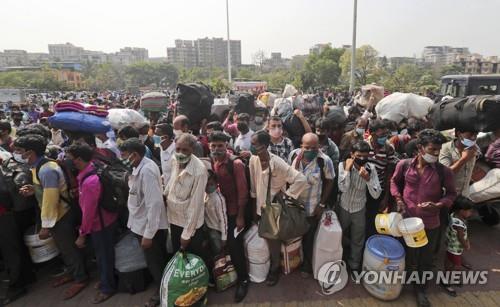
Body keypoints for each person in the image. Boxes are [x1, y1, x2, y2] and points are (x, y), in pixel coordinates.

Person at [14, 134, 89, 300]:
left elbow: (50, 199)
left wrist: (45, 226)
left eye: (20, 151)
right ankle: (73, 272)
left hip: (60, 215)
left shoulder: (47, 169)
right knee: (64, 248)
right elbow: (44, 190)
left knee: (69, 248)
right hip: (55, 215)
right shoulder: (38, 165)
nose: (18, 154)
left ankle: (80, 278)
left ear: (30, 152)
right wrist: (34, 189)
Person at [390, 129, 457, 307]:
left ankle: (420, 290)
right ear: (420, 148)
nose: (436, 153)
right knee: (404, 254)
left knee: (426, 259)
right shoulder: (404, 165)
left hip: (430, 223)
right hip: (406, 221)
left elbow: (451, 194)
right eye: (432, 149)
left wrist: (439, 205)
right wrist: (398, 198)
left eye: (438, 150)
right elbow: (394, 183)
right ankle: (401, 282)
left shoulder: (444, 172)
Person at [248, 130, 307, 286]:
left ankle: (275, 269)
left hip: (275, 207)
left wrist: (288, 196)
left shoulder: (278, 163)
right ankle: (275, 264)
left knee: (275, 237)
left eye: (255, 144)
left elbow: (301, 179)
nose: (252, 147)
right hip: (261, 207)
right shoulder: (253, 160)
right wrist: (255, 208)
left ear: (265, 145)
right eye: (252, 144)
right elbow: (254, 185)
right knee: (270, 238)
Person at [119, 138, 168, 307]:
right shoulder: (140, 166)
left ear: (135, 154)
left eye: (125, 155)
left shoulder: (146, 170)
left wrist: (148, 235)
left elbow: (154, 204)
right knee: (155, 261)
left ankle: (162, 294)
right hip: (140, 223)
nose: (122, 158)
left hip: (148, 228)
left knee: (156, 263)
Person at [66, 143, 118, 304]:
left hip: (100, 224)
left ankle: (107, 288)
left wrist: (82, 234)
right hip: (107, 219)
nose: (69, 162)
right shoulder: (94, 167)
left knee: (104, 257)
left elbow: (89, 213)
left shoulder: (90, 182)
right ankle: (106, 280)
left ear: (79, 159)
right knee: (105, 254)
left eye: (71, 159)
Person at [209, 131, 250, 302]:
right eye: (213, 146)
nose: (217, 149)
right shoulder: (215, 162)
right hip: (223, 211)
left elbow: (243, 194)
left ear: (226, 145)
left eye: (220, 145)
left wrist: (240, 217)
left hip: (235, 212)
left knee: (235, 246)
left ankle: (243, 280)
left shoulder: (236, 164)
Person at [289, 133, 335, 278]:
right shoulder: (293, 156)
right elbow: (288, 178)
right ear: (301, 146)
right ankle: (293, 261)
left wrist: (321, 204)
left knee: (309, 238)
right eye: (307, 147)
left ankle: (307, 264)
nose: (310, 150)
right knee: (295, 236)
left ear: (318, 147)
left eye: (314, 148)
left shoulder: (324, 161)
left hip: (312, 207)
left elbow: (330, 181)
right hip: (295, 207)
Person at [338, 141, 381, 276]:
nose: (362, 159)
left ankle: (354, 264)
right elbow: (343, 188)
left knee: (358, 239)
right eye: (359, 156)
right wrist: (347, 171)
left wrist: (368, 179)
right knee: (338, 235)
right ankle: (337, 260)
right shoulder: (343, 165)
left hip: (359, 209)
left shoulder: (371, 169)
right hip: (343, 207)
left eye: (365, 156)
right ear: (352, 154)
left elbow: (376, 194)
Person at [164, 133, 208, 257]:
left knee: (192, 260)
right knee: (178, 259)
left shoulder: (199, 171)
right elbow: (171, 182)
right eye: (178, 149)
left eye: (185, 150)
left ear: (192, 150)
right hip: (174, 219)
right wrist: (165, 194)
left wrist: (186, 234)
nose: (180, 153)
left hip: (190, 225)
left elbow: (196, 205)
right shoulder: (174, 159)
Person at [365, 119, 398, 237]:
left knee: (374, 219)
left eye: (386, 134)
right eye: (381, 135)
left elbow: (390, 173)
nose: (384, 137)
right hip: (363, 189)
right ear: (372, 133)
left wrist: (385, 197)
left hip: (379, 188)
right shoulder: (364, 145)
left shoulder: (389, 148)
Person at [441, 196, 473, 297]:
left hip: (450, 245)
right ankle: (447, 283)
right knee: (456, 266)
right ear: (461, 211)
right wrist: (466, 245)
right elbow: (460, 237)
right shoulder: (459, 223)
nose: (470, 213)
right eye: (468, 211)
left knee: (449, 262)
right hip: (455, 248)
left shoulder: (453, 215)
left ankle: (446, 278)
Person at [439, 129, 478, 197]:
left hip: (465, 195)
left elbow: (493, 136)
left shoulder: (473, 147)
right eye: (470, 134)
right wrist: (464, 159)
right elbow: (446, 175)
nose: (473, 138)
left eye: (476, 135)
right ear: (459, 134)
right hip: (448, 197)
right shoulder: (445, 148)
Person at [204, 170, 228, 255]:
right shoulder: (205, 195)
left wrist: (224, 238)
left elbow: (223, 219)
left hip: (217, 232)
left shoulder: (219, 199)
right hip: (208, 230)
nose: (208, 187)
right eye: (206, 185)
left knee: (219, 256)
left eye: (211, 184)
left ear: (216, 184)